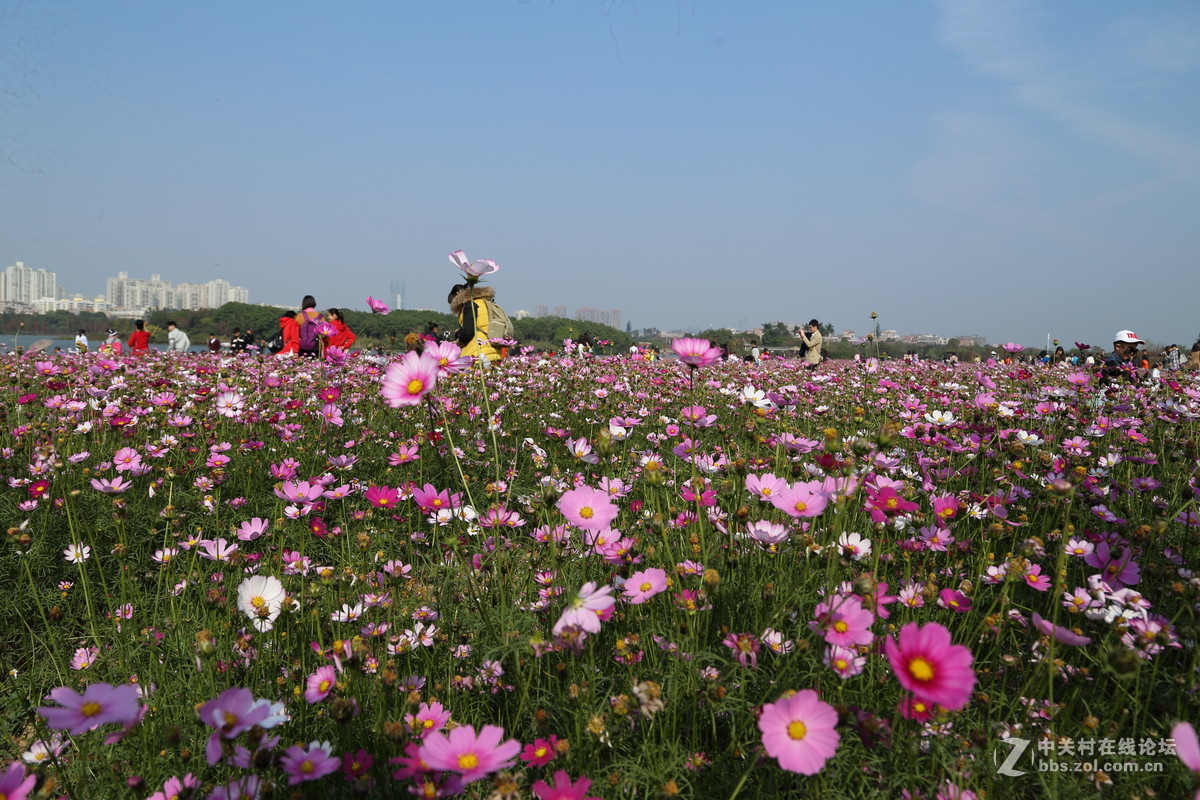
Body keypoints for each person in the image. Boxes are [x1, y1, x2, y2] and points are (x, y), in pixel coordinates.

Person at [448, 283, 501, 363]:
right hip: (491, 346)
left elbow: (468, 332)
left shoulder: (470, 305)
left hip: (477, 350)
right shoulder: (483, 302)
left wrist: (458, 341)